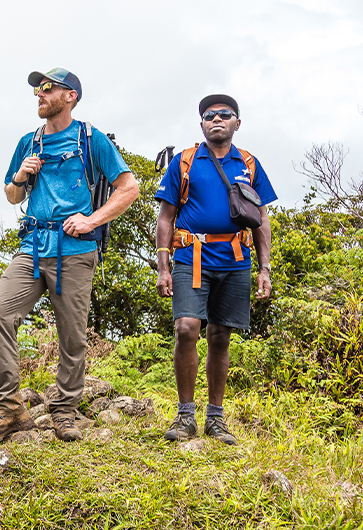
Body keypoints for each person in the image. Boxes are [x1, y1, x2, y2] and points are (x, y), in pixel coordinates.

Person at [0, 68, 139, 444]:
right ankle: (10, 409)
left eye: (48, 88)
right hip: (32, 244)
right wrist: (19, 177)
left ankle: (64, 410)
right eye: (37, 90)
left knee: (72, 335)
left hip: (75, 249)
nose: (39, 94)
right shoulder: (28, 142)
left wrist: (91, 220)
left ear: (71, 96)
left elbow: (129, 188)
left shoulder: (90, 139)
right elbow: (12, 196)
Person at [153, 94, 277, 445]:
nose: (217, 119)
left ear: (237, 123)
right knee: (187, 328)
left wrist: (264, 268)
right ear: (202, 124)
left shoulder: (249, 164)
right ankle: (185, 415)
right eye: (209, 115)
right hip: (191, 256)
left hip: (236, 259)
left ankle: (216, 419)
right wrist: (163, 266)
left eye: (225, 114)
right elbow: (165, 217)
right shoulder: (184, 162)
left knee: (221, 337)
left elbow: (262, 219)